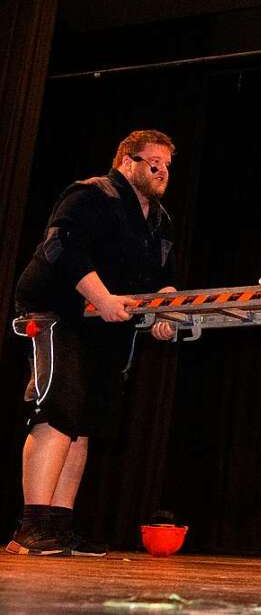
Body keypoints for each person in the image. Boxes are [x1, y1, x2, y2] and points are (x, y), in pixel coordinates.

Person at [7, 130, 179, 556]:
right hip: (57, 312)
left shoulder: (160, 221)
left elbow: (163, 283)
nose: (162, 170)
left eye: (168, 165)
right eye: (152, 161)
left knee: (85, 423)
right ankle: (30, 529)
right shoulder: (91, 194)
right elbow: (59, 246)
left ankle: (58, 527)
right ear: (126, 161)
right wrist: (100, 297)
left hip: (106, 325)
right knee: (59, 411)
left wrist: (165, 313)